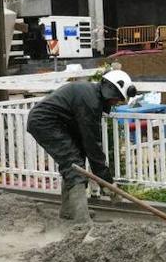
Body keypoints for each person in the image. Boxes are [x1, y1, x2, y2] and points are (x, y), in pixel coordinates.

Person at [26, 69, 137, 221]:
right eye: (116, 99)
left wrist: (105, 181)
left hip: (58, 124)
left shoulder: (92, 96)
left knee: (74, 162)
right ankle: (82, 221)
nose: (116, 103)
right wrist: (107, 182)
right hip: (45, 123)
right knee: (74, 164)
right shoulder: (90, 101)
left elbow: (88, 144)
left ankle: (69, 212)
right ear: (110, 91)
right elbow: (93, 145)